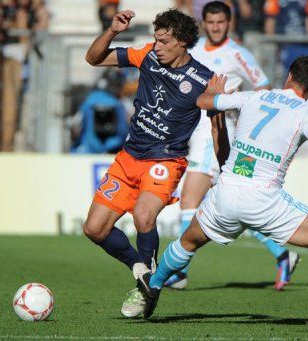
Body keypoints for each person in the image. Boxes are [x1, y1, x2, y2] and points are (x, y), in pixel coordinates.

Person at [128, 56, 308, 330]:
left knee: (188, 242)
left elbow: (203, 102)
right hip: (263, 199)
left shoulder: (254, 97)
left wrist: (215, 95)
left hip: (226, 193)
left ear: (289, 76)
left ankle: (153, 285)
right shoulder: (305, 114)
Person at [83, 8, 227, 318]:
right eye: (156, 40)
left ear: (183, 42)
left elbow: (217, 127)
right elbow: (93, 59)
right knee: (94, 229)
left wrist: (219, 108)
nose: (157, 46)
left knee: (143, 216)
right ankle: (142, 269)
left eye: (163, 41)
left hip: (165, 160)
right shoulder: (146, 55)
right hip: (128, 158)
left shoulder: (203, 79)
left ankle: (145, 290)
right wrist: (112, 32)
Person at [164, 0, 300, 292]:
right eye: (210, 22)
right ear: (204, 22)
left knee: (190, 201)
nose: (215, 27)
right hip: (202, 132)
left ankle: (178, 271)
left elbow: (264, 89)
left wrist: (236, 102)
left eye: (220, 22)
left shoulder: (238, 54)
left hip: (217, 132)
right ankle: (283, 253)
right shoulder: (194, 49)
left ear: (229, 23)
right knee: (238, 203)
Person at [70, 69, 130, 154]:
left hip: (87, 152)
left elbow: (76, 128)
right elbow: (125, 130)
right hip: (114, 153)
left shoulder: (88, 101)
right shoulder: (119, 104)